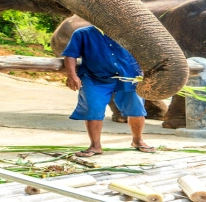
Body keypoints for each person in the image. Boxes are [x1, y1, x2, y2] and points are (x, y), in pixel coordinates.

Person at [61, 25, 156, 158]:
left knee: (136, 110)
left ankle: (137, 140)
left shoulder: (132, 32)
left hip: (129, 76)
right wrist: (72, 75)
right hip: (95, 78)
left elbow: (147, 54)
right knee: (93, 110)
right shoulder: (82, 33)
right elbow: (70, 55)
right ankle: (95, 146)